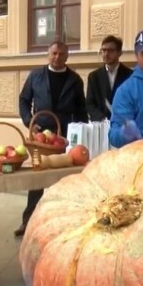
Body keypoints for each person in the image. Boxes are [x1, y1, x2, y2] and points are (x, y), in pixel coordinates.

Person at [16, 41, 89, 236]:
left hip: (65, 136)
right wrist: (29, 121)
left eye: (61, 54)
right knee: (37, 178)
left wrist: (81, 135)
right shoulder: (36, 76)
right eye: (54, 53)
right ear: (48, 54)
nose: (57, 57)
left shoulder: (75, 80)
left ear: (67, 56)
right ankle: (28, 222)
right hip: (41, 135)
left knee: (66, 178)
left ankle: (66, 223)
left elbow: (81, 109)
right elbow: (24, 100)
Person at [86, 35, 132, 122]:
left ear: (119, 53)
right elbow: (90, 104)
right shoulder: (93, 76)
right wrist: (102, 119)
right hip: (100, 125)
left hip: (124, 124)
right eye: (104, 50)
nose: (106, 54)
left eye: (111, 51)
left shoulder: (130, 75)